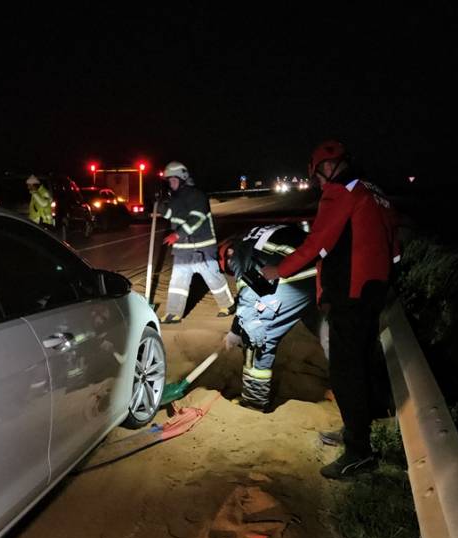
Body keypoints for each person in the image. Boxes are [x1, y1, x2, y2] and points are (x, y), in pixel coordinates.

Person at [261, 140, 399, 479]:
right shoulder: (374, 190)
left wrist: (280, 270)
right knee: (364, 362)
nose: (319, 182)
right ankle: (362, 431)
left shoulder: (341, 191)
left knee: (345, 371)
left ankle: (358, 453)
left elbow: (318, 243)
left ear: (328, 167)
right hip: (373, 291)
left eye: (319, 174)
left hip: (350, 296)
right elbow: (395, 248)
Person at [220, 223, 322, 411]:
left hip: (297, 275)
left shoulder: (238, 252)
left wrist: (236, 332)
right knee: (323, 328)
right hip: (323, 270)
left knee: (257, 335)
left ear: (228, 252)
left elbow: (247, 297)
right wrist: (235, 328)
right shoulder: (258, 234)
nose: (231, 272)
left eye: (227, 268)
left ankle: (254, 402)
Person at [160, 161, 234, 323]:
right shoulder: (175, 198)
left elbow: (197, 218)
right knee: (177, 282)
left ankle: (228, 305)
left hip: (202, 249)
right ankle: (174, 313)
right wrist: (157, 204)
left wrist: (177, 235)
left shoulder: (197, 196)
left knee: (213, 279)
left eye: (173, 180)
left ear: (183, 178)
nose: (171, 184)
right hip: (182, 251)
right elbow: (169, 214)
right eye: (169, 181)